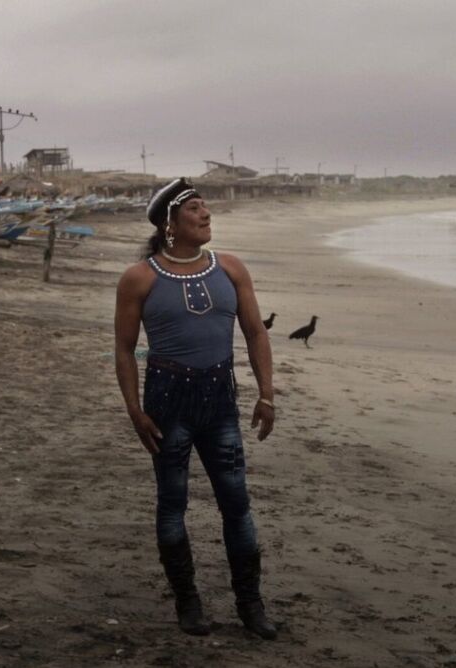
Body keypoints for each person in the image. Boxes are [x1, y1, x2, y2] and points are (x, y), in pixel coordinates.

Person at [114, 178, 278, 639]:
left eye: (206, 208)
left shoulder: (231, 268)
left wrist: (266, 394)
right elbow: (124, 349)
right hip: (167, 404)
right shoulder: (139, 278)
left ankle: (251, 606)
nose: (206, 215)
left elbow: (256, 333)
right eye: (194, 209)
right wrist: (134, 410)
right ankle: (188, 603)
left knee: (236, 504)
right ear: (169, 224)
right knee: (172, 505)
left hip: (219, 401)